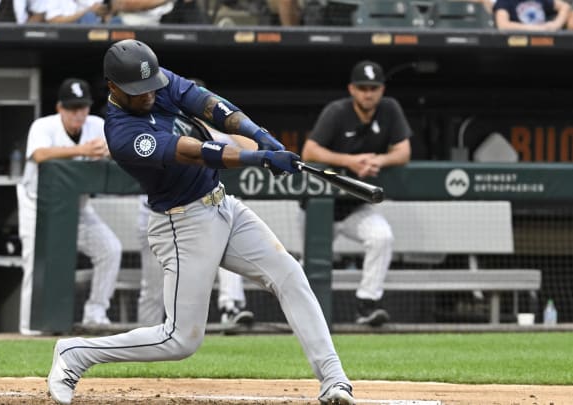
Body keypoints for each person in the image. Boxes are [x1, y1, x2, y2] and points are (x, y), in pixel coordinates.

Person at [47, 39, 354, 405]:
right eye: (138, 91)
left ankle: (334, 380)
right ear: (113, 87)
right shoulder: (122, 133)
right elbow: (190, 152)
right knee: (179, 340)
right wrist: (257, 159)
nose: (149, 94)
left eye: (151, 86)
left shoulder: (156, 81)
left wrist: (259, 135)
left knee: (289, 274)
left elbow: (209, 105)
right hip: (183, 223)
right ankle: (76, 353)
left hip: (223, 205)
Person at [301, 60, 412, 327]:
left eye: (373, 88)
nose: (368, 93)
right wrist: (348, 161)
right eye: (362, 87)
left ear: (382, 89)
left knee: (382, 237)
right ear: (352, 89)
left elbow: (404, 151)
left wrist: (379, 161)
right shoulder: (337, 112)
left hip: (353, 207)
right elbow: (309, 152)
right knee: (307, 266)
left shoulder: (389, 109)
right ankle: (303, 317)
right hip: (319, 208)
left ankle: (367, 304)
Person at [17, 78, 122, 335]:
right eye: (72, 108)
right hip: (38, 207)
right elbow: (39, 155)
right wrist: (84, 150)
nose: (78, 114)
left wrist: (108, 151)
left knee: (110, 249)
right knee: (35, 263)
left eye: (83, 107)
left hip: (79, 207)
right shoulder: (44, 126)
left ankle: (95, 313)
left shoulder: (97, 125)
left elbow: (120, 148)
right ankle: (30, 328)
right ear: (60, 108)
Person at [136, 132, 256, 329]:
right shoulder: (153, 126)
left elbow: (253, 147)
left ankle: (230, 307)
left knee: (226, 242)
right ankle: (145, 335)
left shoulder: (199, 126)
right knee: (153, 287)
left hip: (198, 213)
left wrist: (218, 127)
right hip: (158, 216)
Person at [493, 0, 571, 31]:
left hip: (544, 42)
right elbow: (503, 25)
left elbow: (565, 6)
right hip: (517, 43)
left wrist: (555, 24)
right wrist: (535, 28)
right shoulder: (504, 2)